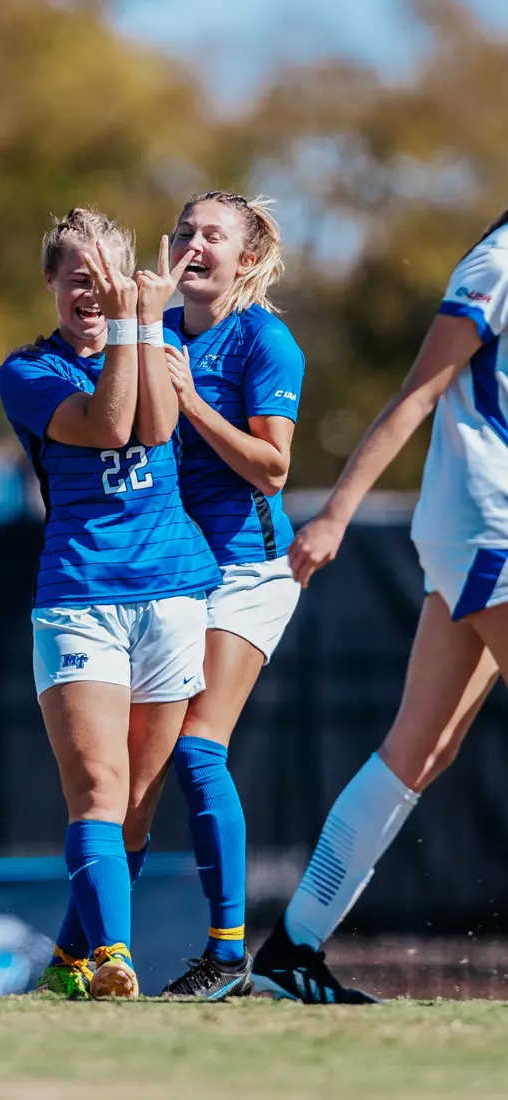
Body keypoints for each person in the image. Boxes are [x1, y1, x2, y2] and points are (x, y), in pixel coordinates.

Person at [252, 209, 508, 1004]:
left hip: (481, 529)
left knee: (419, 752)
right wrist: (333, 513)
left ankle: (291, 950)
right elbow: (415, 395)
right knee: (415, 750)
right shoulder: (498, 264)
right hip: (489, 523)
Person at [0, 208, 220, 1000]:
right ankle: (113, 958)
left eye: (106, 280)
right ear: (51, 284)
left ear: (128, 279)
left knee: (133, 807)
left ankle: (65, 962)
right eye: (75, 280)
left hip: (171, 594)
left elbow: (155, 426)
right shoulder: (27, 371)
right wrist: (139, 322)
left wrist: (142, 325)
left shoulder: (153, 339)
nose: (90, 295)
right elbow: (108, 423)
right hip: (81, 597)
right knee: (96, 786)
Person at [159, 191, 305, 999]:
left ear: (244, 260)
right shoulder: (157, 334)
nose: (193, 243)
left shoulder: (263, 340)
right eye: (184, 231)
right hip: (167, 570)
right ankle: (89, 954)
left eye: (212, 234)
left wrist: (188, 401)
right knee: (136, 757)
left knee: (195, 746)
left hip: (246, 570)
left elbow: (273, 469)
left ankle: (226, 952)